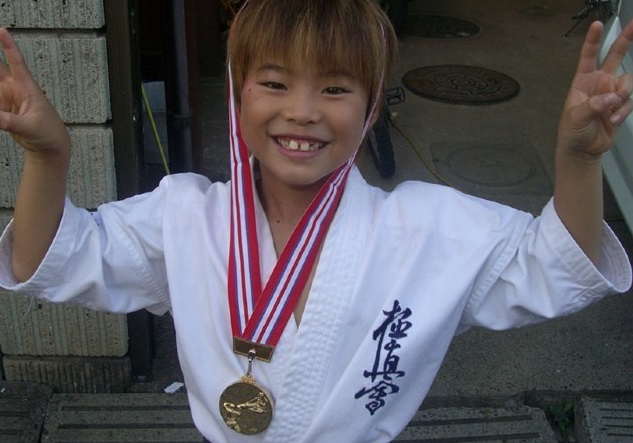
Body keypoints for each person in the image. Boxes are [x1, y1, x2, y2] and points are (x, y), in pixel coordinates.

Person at [0, 0, 631, 441]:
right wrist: (48, 155)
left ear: (372, 108)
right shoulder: (185, 217)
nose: (301, 112)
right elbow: (49, 257)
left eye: (335, 90)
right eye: (273, 83)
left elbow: (555, 261)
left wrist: (576, 160)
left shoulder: (422, 230)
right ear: (238, 89)